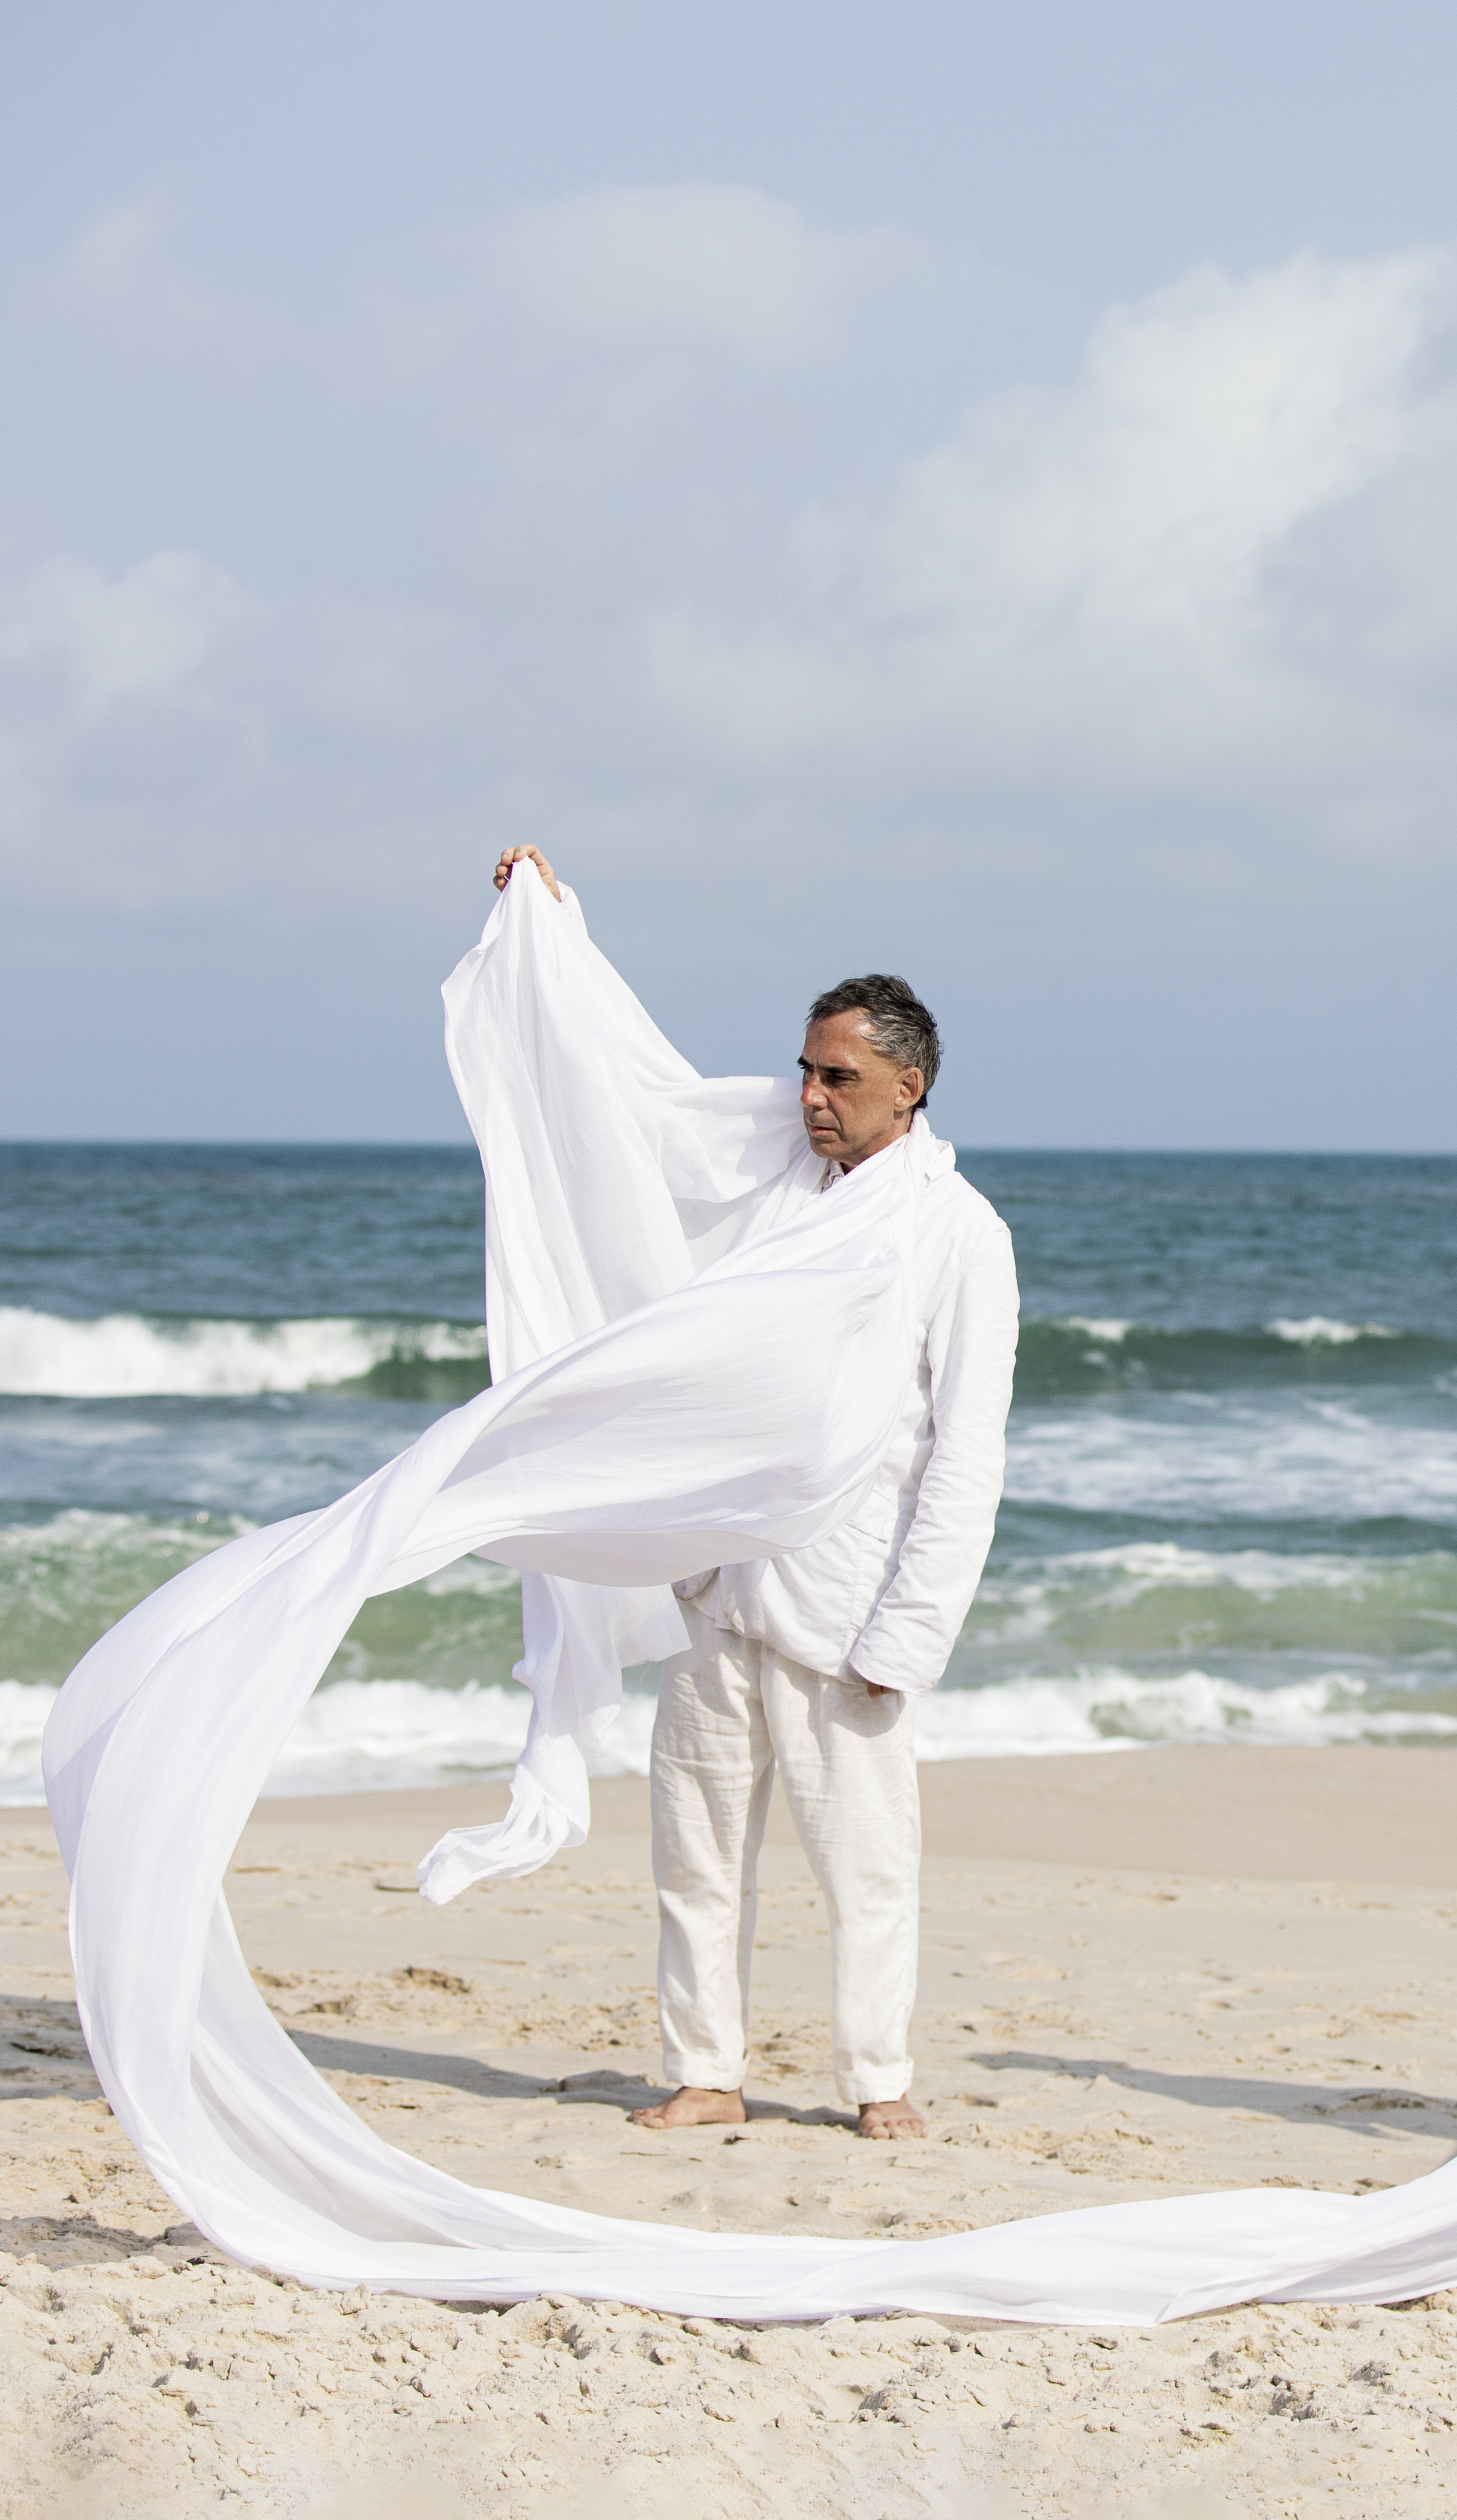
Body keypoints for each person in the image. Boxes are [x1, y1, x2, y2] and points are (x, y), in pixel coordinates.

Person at [487, 846, 1020, 2143]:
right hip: (719, 1584)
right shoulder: (773, 1183)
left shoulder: (959, 1233)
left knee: (866, 1867)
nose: (809, 1094)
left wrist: (911, 1631)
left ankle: (876, 2078)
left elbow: (966, 1451)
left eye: (839, 1075)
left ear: (912, 1084)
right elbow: (634, 1102)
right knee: (695, 1852)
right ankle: (705, 2066)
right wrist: (554, 928)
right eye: (803, 1068)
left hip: (850, 1608)